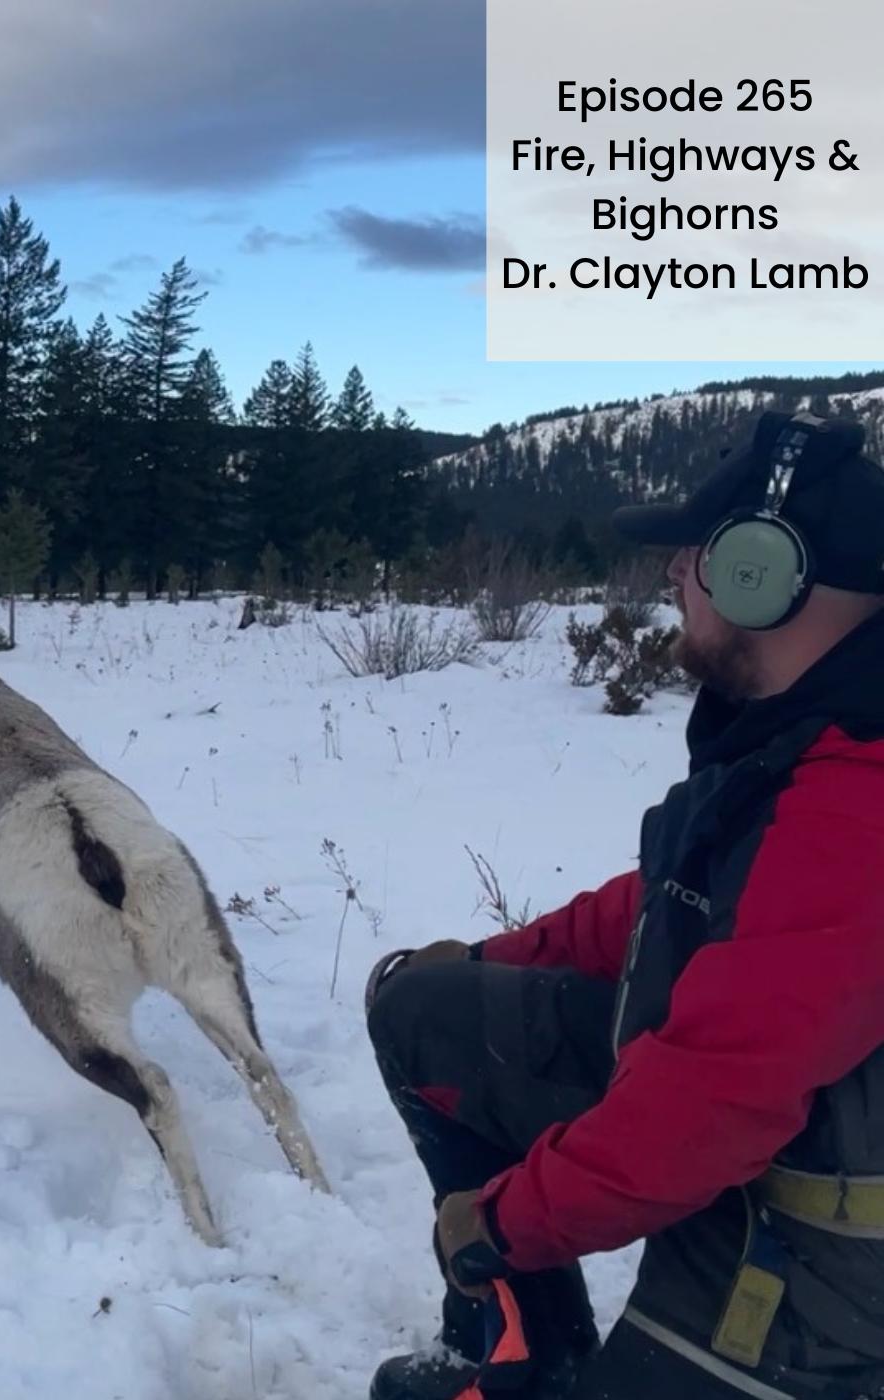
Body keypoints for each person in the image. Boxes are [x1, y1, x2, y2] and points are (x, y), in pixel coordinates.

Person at [366, 409, 884, 1400]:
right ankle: (523, 1350)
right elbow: (675, 902)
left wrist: (504, 1222)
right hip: (767, 1146)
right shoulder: (791, 737)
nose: (671, 579)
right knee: (425, 1012)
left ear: (760, 575)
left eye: (690, 555)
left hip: (823, 1248)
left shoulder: (852, 803)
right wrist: (490, 959)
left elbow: (709, 1104)